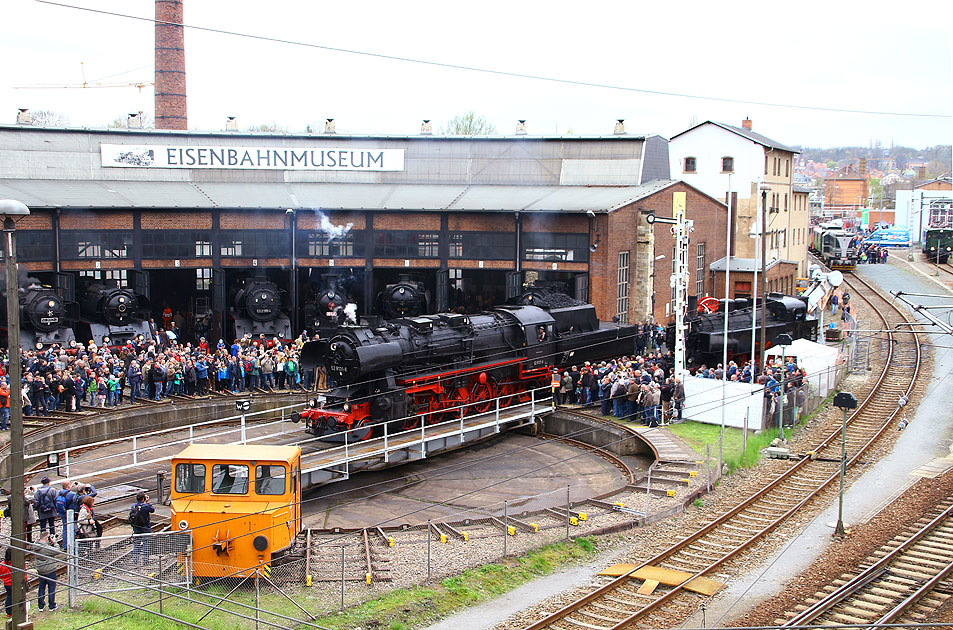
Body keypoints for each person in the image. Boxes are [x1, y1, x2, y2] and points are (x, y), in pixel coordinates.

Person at [30, 533, 66, 611]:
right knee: (51, 588)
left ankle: (40, 605)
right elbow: (57, 551)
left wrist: (49, 543)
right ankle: (51, 605)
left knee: (41, 588)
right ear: (46, 539)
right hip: (50, 570)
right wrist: (55, 542)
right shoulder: (45, 548)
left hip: (40, 570)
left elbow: (46, 546)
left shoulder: (36, 545)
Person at [131, 492, 155, 566]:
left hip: (136, 528)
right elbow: (152, 509)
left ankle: (135, 560)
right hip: (145, 528)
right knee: (146, 544)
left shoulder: (133, 506)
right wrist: (147, 502)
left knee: (136, 544)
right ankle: (145, 561)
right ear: (143, 499)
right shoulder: (145, 507)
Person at [1, 548, 11, 619]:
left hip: (6, 584)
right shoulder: (17, 563)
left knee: (9, 597)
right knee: (18, 598)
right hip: (15, 583)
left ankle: (8, 612)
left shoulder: (2, 564)